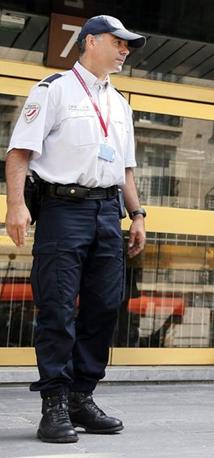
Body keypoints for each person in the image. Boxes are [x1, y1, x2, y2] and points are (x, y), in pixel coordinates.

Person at [5, 15, 147, 443]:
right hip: (63, 210)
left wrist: (137, 215)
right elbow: (18, 154)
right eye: (118, 42)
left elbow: (124, 169)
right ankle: (54, 403)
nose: (125, 50)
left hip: (108, 213)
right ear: (89, 43)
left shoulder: (120, 104)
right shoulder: (54, 91)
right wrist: (15, 205)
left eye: (128, 45)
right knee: (58, 308)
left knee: (104, 307)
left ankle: (81, 397)